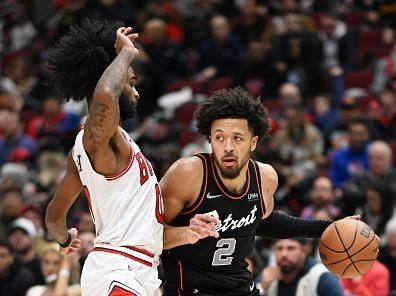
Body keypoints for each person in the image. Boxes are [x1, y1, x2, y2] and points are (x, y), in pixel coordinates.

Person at [160, 87, 353, 295]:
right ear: (210, 140)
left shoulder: (265, 177)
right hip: (190, 289)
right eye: (219, 137)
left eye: (237, 138)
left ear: (253, 142)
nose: (228, 147)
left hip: (241, 287)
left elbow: (263, 222)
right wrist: (185, 233)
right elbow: (141, 233)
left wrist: (328, 228)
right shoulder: (187, 174)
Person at [45, 19, 163, 295]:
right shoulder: (97, 139)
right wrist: (126, 54)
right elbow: (106, 93)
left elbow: (53, 217)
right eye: (131, 82)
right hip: (119, 268)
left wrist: (65, 239)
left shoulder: (85, 152)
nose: (136, 91)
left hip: (139, 268)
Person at [261, 238, 343, 296]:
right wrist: (263, 288)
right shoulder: (268, 277)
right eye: (279, 248)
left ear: (304, 251)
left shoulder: (321, 277)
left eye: (291, 248)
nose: (284, 254)